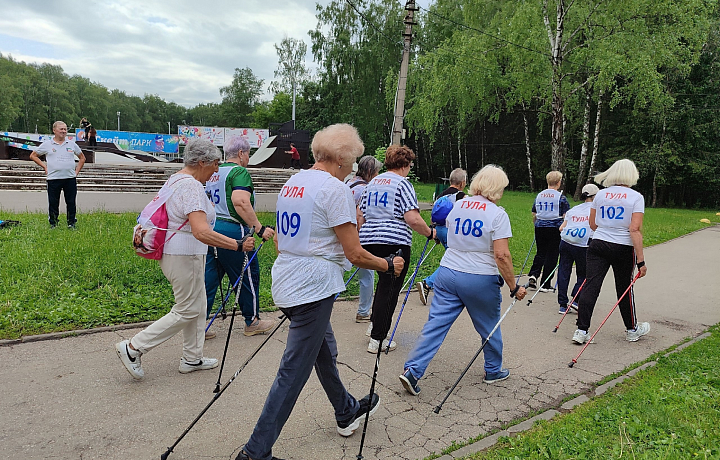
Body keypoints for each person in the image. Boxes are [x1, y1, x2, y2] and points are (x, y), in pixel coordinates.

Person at [237, 124, 404, 460]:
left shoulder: (293, 183)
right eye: (354, 160)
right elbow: (355, 253)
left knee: (323, 350)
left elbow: (283, 241)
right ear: (342, 159)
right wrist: (389, 265)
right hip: (312, 288)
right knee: (292, 371)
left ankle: (346, 410)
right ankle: (255, 452)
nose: (354, 166)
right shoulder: (335, 189)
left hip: (288, 280)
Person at [114, 139, 255, 380]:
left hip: (181, 252)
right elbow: (200, 231)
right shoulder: (191, 187)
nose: (217, 170)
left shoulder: (176, 179)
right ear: (202, 162)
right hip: (183, 254)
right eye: (214, 164)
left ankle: (192, 357)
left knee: (198, 306)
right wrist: (237, 245)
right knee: (187, 309)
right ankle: (133, 347)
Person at [399, 165, 527, 395]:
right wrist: (513, 285)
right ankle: (493, 370)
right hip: (479, 277)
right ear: (497, 188)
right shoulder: (498, 214)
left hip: (448, 272)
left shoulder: (457, 205)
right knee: (489, 325)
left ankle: (413, 370)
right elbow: (502, 255)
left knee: (435, 325)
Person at [358, 145, 436, 353]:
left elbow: (360, 214)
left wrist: (363, 234)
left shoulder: (373, 182)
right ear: (405, 164)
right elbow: (412, 218)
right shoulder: (403, 184)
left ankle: (374, 324)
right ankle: (378, 338)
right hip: (394, 243)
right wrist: (430, 232)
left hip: (369, 239)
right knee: (389, 290)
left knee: (382, 285)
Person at [204, 137, 276, 339]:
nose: (248, 158)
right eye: (249, 154)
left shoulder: (215, 172)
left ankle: (198, 327)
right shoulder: (239, 172)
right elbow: (241, 202)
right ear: (242, 153)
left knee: (209, 279)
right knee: (247, 275)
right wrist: (259, 228)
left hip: (212, 228)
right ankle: (252, 321)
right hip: (234, 230)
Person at [573, 159, 650, 344]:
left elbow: (593, 224)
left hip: (598, 243)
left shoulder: (600, 195)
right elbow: (635, 229)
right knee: (624, 288)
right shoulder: (636, 197)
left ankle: (581, 331)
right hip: (623, 247)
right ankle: (632, 329)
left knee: (591, 285)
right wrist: (641, 261)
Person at [417, 168, 467, 305]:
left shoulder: (441, 195)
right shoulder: (461, 196)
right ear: (462, 183)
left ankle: (450, 288)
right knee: (454, 261)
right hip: (450, 231)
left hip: (438, 229)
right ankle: (427, 283)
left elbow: (434, 215)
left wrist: (434, 233)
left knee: (452, 260)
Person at [346, 155, 384, 323]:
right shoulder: (366, 189)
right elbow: (362, 215)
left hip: (341, 234)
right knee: (366, 275)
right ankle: (363, 312)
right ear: (370, 172)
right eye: (376, 172)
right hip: (358, 236)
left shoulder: (348, 184)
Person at [29, 121, 86, 229]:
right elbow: (33, 155)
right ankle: (53, 223)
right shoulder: (47, 144)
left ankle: (71, 223)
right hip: (53, 178)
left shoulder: (71, 144)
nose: (64, 131)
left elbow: (82, 158)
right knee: (53, 202)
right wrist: (44, 167)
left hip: (69, 178)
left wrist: (76, 171)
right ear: (54, 130)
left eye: (65, 129)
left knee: (71, 202)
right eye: (61, 129)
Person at [556, 184, 598, 314]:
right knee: (584, 274)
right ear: (595, 196)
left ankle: (562, 305)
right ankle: (575, 299)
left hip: (566, 242)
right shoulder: (596, 210)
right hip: (583, 244)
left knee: (563, 271)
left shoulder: (574, 209)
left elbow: (561, 228)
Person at [527, 171, 570, 291]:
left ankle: (534, 274)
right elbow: (566, 215)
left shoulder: (540, 195)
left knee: (541, 252)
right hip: (555, 227)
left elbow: (534, 212)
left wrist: (537, 223)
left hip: (540, 226)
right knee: (552, 254)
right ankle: (545, 283)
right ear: (559, 182)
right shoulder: (561, 197)